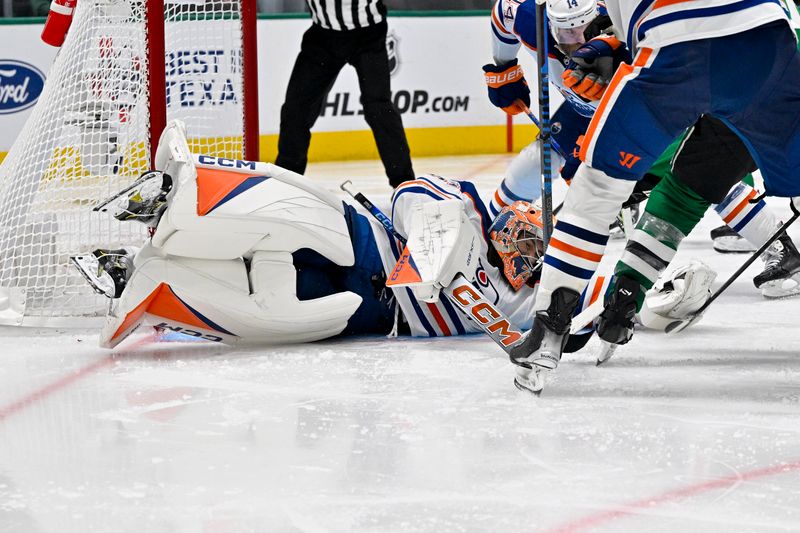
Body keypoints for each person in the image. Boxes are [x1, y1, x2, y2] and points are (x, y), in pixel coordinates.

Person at [514, 0, 800, 393]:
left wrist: (615, 46)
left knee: (597, 187)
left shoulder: (526, 15)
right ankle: (627, 292)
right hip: (771, 43)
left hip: (676, 45)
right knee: (696, 181)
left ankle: (549, 328)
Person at [275, 0, 414, 188]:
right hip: (323, 37)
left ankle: (404, 184)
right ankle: (286, 183)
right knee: (296, 109)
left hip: (368, 35)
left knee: (378, 108)